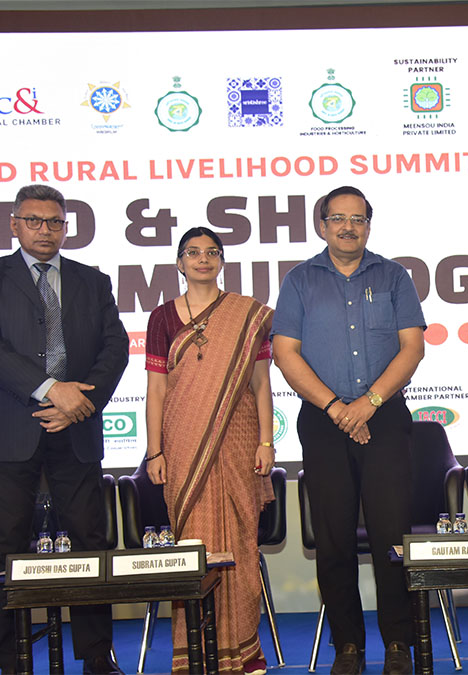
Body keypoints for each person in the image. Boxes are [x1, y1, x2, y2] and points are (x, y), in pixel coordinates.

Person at [0, 184, 127, 674]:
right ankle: (12, 661)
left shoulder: (92, 281)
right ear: (13, 224)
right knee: (6, 547)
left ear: (65, 227)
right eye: (33, 220)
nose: (45, 230)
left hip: (76, 431)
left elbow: (113, 350)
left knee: (90, 543)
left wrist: (79, 403)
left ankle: (98, 656)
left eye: (54, 222)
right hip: (12, 429)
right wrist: (51, 390)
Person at [271, 186, 425, 675]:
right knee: (334, 539)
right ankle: (348, 647)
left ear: (368, 226)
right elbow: (285, 353)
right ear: (321, 226)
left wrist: (368, 404)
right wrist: (339, 409)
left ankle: (398, 644)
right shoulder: (298, 281)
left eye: (357, 219)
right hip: (322, 422)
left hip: (385, 417)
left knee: (391, 539)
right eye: (338, 218)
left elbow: (412, 348)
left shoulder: (394, 275)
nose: (347, 227)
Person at [144, 227, 276, 673]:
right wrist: (154, 450)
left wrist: (266, 440)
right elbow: (156, 389)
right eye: (193, 252)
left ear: (222, 261)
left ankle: (243, 649)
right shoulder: (162, 317)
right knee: (194, 546)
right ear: (179, 263)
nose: (203, 259)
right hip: (182, 444)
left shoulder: (246, 315)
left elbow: (261, 383)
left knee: (240, 540)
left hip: (238, 439)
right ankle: (196, 654)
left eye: (212, 252)